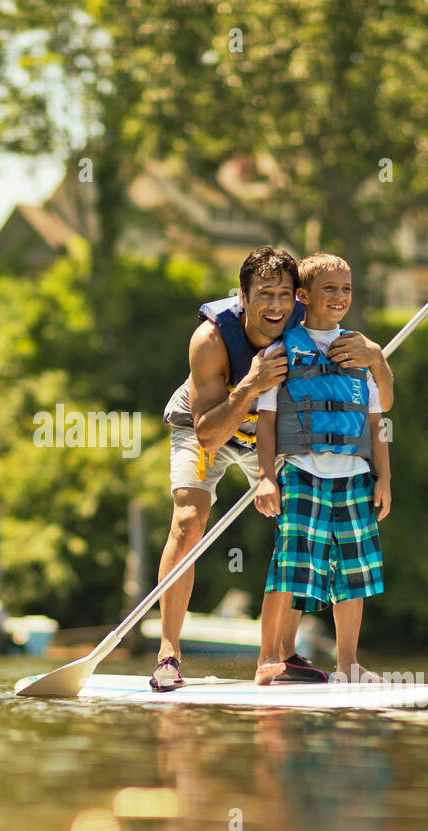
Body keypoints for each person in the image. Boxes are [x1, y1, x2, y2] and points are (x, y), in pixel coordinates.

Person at [153, 246, 392, 691]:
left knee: (299, 530)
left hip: (271, 435)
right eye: (265, 294)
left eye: (284, 295)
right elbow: (208, 434)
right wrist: (250, 385)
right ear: (243, 297)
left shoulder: (306, 323)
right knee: (188, 522)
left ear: (298, 297)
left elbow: (366, 394)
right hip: (209, 425)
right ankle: (169, 653)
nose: (276, 306)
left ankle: (282, 655)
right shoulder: (210, 340)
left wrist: (374, 357)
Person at [252, 252, 391, 685]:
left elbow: (376, 419)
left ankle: (348, 662)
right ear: (303, 296)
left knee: (354, 570)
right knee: (295, 566)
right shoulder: (283, 351)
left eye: (346, 288)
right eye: (329, 288)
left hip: (353, 475)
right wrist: (266, 477)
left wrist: (384, 477)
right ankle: (274, 658)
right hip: (301, 472)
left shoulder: (360, 352)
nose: (339, 296)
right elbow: (268, 421)